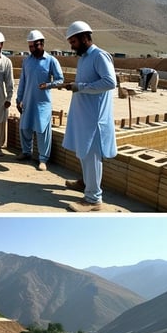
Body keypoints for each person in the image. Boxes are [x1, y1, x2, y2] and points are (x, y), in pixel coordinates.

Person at [62, 21, 117, 210]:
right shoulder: (84, 57)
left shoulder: (100, 56)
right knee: (84, 153)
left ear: (85, 38)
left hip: (94, 120)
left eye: (74, 41)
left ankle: (93, 199)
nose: (72, 46)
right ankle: (86, 183)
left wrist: (81, 87)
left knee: (92, 155)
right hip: (83, 117)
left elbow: (110, 82)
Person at [16, 30, 64, 171]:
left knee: (42, 130)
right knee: (24, 128)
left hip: (42, 102)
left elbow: (60, 79)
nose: (32, 49)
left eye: (35, 46)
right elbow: (23, 81)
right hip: (28, 100)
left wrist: (48, 85)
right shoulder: (27, 61)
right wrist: (19, 99)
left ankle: (43, 159)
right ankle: (26, 152)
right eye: (30, 46)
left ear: (42, 44)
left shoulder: (51, 61)